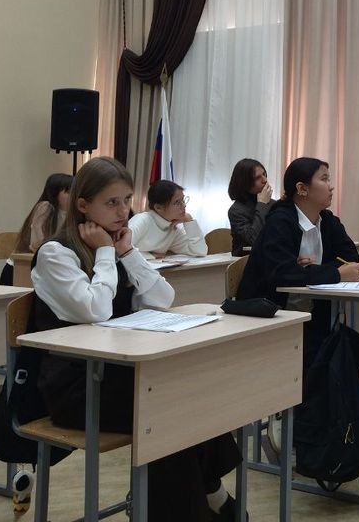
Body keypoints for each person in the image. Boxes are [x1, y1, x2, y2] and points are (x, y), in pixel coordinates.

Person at [30, 157, 241, 520]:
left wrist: (128, 252)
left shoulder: (119, 246)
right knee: (167, 412)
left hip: (120, 375)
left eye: (127, 200)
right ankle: (207, 500)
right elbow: (95, 309)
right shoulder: (55, 254)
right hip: (77, 386)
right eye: (111, 202)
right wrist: (107, 253)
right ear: (83, 206)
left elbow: (163, 298)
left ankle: (202, 497)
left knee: (192, 394)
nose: (123, 211)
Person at [237, 157, 359, 366]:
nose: (331, 186)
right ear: (302, 189)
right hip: (271, 316)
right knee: (334, 356)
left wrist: (312, 270)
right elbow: (282, 274)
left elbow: (350, 257)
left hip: (312, 316)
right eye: (324, 179)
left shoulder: (327, 220)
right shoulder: (279, 222)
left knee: (354, 348)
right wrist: (336, 273)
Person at [5, 173, 72, 285]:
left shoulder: (69, 214)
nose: (73, 196)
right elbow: (36, 244)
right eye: (68, 192)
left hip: (42, 268)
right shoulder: (45, 207)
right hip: (20, 269)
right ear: (54, 193)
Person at [127, 179, 207, 260]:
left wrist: (188, 220)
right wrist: (151, 256)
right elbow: (121, 250)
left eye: (183, 200)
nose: (184, 205)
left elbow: (200, 252)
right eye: (177, 202)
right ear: (158, 207)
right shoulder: (142, 220)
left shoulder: (173, 227)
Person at [227, 158, 274, 257]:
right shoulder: (236, 211)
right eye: (257, 178)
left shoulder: (272, 204)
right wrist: (262, 205)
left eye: (264, 174)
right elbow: (254, 239)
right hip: (247, 261)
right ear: (245, 183)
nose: (265, 180)